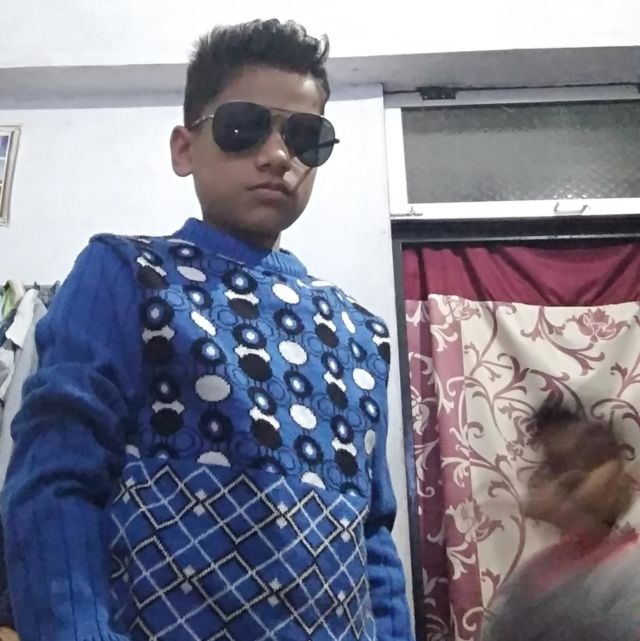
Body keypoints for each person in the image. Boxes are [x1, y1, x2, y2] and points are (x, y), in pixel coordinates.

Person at [1, 19, 411, 641]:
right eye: (244, 126)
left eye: (306, 136)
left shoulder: (360, 331)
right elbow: (55, 480)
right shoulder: (128, 274)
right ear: (184, 148)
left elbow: (372, 537)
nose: (278, 155)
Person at [482, 405, 640, 641]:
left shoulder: (628, 574)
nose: (543, 479)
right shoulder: (533, 572)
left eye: (559, 468)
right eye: (550, 467)